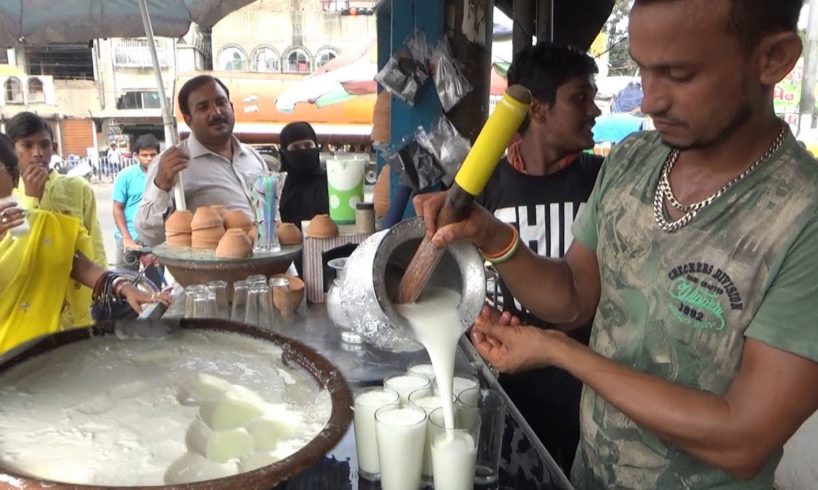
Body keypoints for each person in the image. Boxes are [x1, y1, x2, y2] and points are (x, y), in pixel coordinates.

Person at [414, 0, 818, 488]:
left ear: (773, 58)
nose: (650, 102)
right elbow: (574, 298)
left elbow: (742, 437)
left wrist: (559, 352)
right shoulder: (631, 163)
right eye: (645, 71)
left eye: (679, 75)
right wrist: (492, 235)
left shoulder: (802, 216)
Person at [476, 42, 602, 474]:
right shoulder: (483, 185)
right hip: (505, 389)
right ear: (537, 110)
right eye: (580, 98)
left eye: (592, 96)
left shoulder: (601, 184)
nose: (595, 110)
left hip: (585, 396)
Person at [0, 133, 168, 354]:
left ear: (13, 175)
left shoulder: (41, 224)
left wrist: (124, 288)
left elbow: (78, 264)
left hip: (43, 357)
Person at [136, 75, 267, 246]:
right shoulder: (172, 164)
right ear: (189, 120)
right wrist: (161, 185)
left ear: (232, 107)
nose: (216, 112)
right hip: (212, 271)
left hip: (266, 268)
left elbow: (271, 218)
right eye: (203, 107)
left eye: (221, 102)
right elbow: (149, 235)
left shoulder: (253, 158)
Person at [7, 112, 107, 328]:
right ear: (12, 150)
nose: (38, 154)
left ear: (54, 147)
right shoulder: (8, 194)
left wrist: (104, 290)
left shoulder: (77, 188)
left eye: (44, 145)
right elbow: (19, 251)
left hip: (77, 305)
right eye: (27, 145)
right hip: (30, 310)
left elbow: (94, 243)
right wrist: (33, 200)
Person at [112, 134, 163, 287]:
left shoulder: (164, 176)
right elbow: (117, 209)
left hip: (155, 240)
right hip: (128, 238)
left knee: (155, 288)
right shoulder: (125, 176)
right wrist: (127, 238)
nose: (149, 158)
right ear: (136, 156)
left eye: (152, 155)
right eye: (144, 155)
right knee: (124, 285)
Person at [278, 121, 329, 228]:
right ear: (284, 153)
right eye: (295, 148)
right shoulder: (279, 188)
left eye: (308, 145)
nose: (303, 151)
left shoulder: (330, 182)